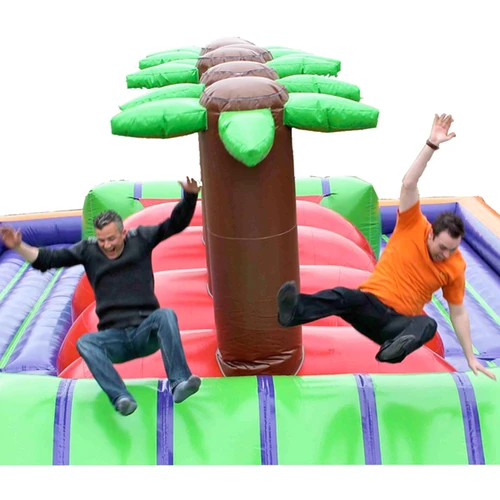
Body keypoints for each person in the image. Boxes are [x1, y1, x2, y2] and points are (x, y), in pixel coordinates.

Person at [277, 114, 496, 380]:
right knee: (342, 295)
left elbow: (458, 312)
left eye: (452, 249)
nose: (446, 254)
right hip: (369, 306)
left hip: (397, 325)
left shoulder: (455, 266)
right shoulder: (412, 224)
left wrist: (470, 357)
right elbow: (408, 183)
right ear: (430, 234)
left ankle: (393, 350)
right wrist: (431, 144)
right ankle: (294, 311)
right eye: (442, 247)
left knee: (427, 323)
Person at [0, 177, 204, 415]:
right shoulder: (89, 250)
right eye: (102, 240)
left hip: (144, 332)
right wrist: (18, 246)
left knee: (165, 315)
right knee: (85, 342)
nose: (107, 245)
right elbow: (48, 260)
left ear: (123, 233)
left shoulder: (141, 239)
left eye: (112, 239)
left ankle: (179, 383)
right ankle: (120, 398)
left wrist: (190, 196)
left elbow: (175, 224)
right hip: (114, 339)